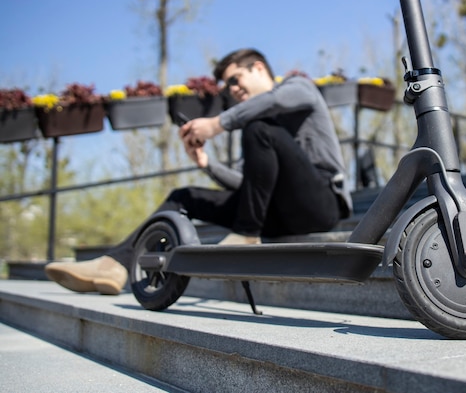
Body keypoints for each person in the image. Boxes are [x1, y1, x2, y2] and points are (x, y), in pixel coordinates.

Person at [44, 48, 352, 295]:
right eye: (227, 87)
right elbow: (249, 185)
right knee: (184, 197)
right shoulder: (257, 131)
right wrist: (206, 165)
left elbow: (272, 102)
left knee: (258, 125)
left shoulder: (298, 87)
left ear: (258, 67)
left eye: (235, 79)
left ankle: (246, 235)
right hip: (273, 214)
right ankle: (115, 264)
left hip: (321, 205)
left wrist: (217, 124)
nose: (232, 90)